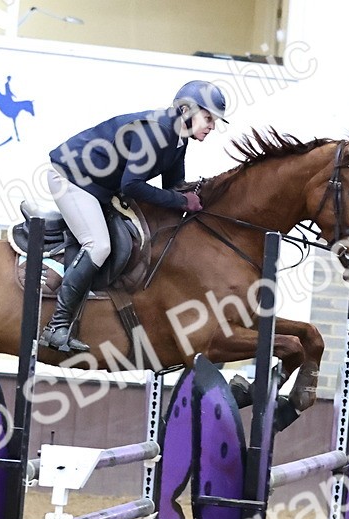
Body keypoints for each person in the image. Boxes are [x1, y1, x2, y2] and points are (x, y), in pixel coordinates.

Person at [38, 80, 228, 353]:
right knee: (99, 245)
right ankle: (56, 327)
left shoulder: (177, 139)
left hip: (100, 188)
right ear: (187, 110)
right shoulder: (158, 132)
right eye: (208, 117)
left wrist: (208, 196)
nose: (212, 126)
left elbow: (173, 187)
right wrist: (181, 200)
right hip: (72, 178)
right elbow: (132, 186)